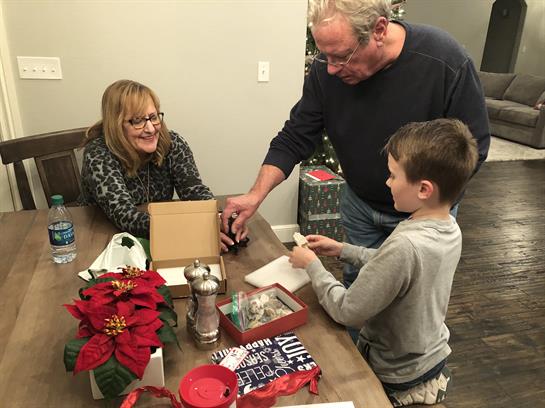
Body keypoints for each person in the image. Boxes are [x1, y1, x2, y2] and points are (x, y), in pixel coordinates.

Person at [221, 0, 490, 287]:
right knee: (358, 290)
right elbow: (295, 135)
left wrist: (422, 209)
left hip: (424, 217)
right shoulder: (326, 69)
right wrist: (255, 195)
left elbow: (473, 149)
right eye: (325, 56)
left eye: (342, 57)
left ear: (379, 30)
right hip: (360, 206)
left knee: (413, 305)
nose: (331, 69)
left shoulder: (444, 60)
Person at [288, 118, 478, 406]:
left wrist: (312, 265)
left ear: (424, 189)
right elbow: (398, 267)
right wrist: (342, 249)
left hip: (395, 374)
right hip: (431, 360)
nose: (387, 182)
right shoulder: (449, 227)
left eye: (393, 175)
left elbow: (347, 310)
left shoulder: (405, 244)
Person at [79, 79, 238, 251]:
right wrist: (195, 230)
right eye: (138, 121)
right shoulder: (98, 153)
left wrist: (219, 219)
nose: (151, 129)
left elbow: (194, 191)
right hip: (101, 238)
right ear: (116, 125)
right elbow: (125, 216)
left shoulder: (172, 142)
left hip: (160, 232)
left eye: (153, 117)